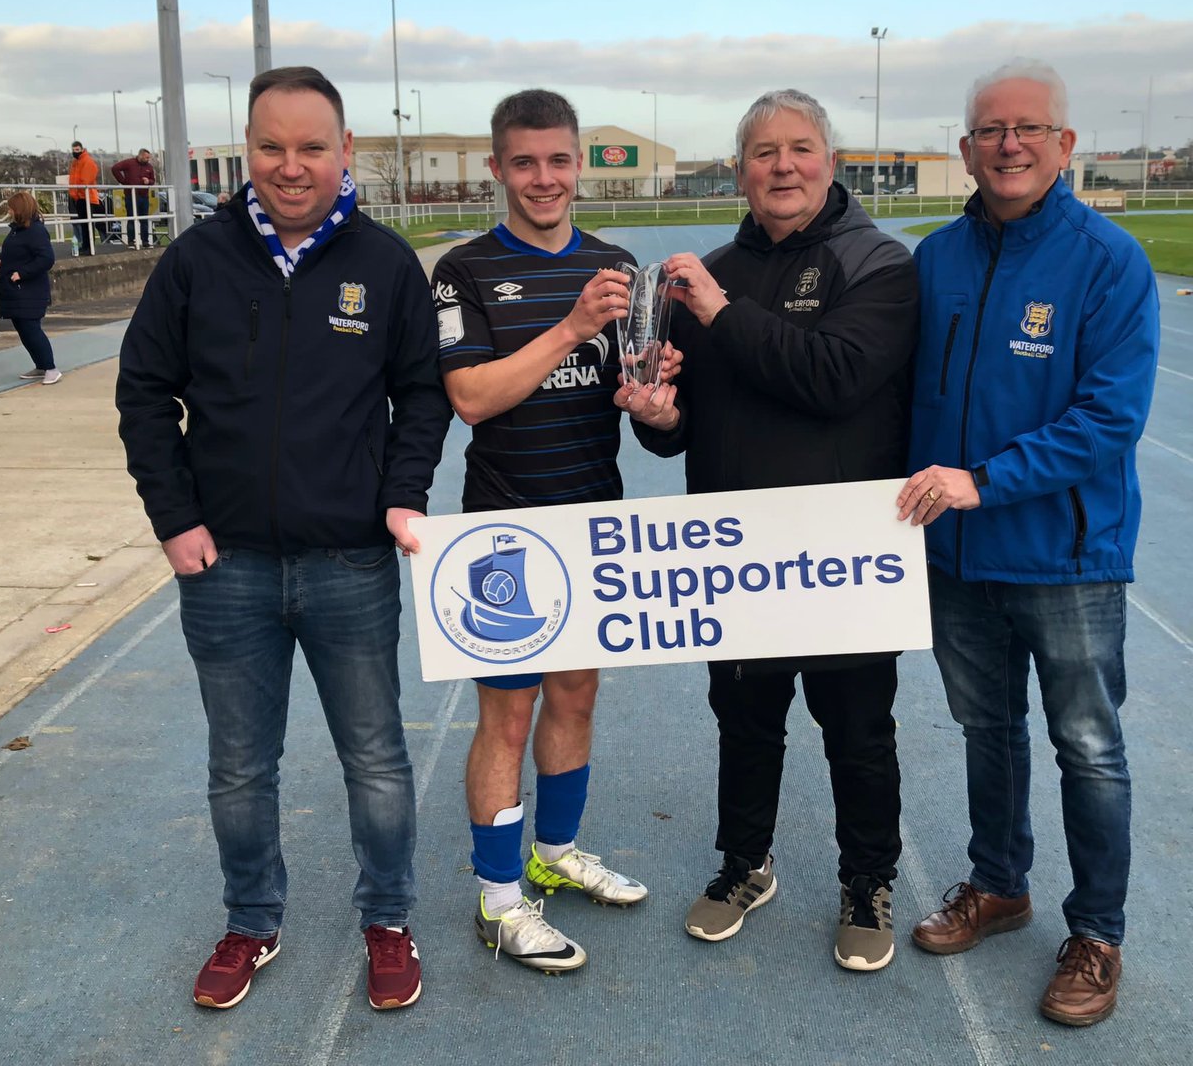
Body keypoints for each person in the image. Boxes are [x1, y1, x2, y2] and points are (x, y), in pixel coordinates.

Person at [116, 66, 451, 1012]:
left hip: (349, 561)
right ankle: (251, 922)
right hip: (227, 570)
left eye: (313, 146)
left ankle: (388, 920)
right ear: (246, 151)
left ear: (346, 152)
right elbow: (144, 393)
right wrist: (175, 519)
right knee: (238, 766)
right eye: (272, 146)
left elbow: (421, 393)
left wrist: (402, 493)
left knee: (377, 759)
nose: (292, 166)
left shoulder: (384, 265)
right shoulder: (195, 261)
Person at [897, 59, 1160, 1027]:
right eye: (991, 130)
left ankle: (1096, 932)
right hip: (959, 560)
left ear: (1065, 144)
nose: (1010, 144)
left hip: (1065, 559)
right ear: (965, 149)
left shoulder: (1109, 262)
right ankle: (999, 883)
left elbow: (1107, 420)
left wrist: (984, 481)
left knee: (1088, 748)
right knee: (988, 733)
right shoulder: (934, 260)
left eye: (1029, 129)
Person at [630, 89, 918, 972]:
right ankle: (744, 864)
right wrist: (657, 413)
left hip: (846, 557)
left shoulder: (880, 265)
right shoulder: (709, 271)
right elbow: (672, 426)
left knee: (858, 731)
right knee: (745, 723)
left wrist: (719, 313)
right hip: (737, 555)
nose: (782, 166)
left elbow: (833, 378)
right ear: (741, 169)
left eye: (799, 149)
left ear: (830, 160)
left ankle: (867, 881)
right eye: (763, 153)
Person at [432, 89, 673, 973]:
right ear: (498, 169)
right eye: (525, 162)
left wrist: (655, 394)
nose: (544, 179)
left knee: (577, 697)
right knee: (507, 715)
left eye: (559, 160)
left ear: (580, 165)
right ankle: (500, 902)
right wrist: (572, 325)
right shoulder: (461, 270)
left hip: (592, 520)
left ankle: (555, 853)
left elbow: (647, 409)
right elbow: (471, 397)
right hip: (505, 534)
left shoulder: (616, 264)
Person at [0, 191, 61, 384]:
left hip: (29, 291)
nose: (9, 211)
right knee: (24, 330)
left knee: (31, 330)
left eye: (12, 208)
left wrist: (22, 273)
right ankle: (41, 366)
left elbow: (46, 258)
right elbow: (13, 251)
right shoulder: (17, 231)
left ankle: (50, 368)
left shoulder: (36, 231)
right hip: (15, 291)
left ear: (20, 210)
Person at [111, 148, 156, 247]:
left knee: (144, 219)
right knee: (131, 218)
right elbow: (115, 168)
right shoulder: (129, 163)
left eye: (149, 157)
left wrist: (148, 181)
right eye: (146, 157)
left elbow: (153, 180)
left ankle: (145, 241)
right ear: (140, 155)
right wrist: (123, 181)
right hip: (131, 195)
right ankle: (131, 241)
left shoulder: (149, 167)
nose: (148, 159)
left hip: (144, 196)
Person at [67, 140, 100, 255]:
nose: (75, 152)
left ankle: (89, 247)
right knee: (84, 224)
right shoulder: (76, 162)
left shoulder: (87, 161)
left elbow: (85, 180)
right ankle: (86, 245)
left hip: (87, 197)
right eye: (73, 150)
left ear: (82, 149)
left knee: (88, 223)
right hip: (80, 197)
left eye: (77, 150)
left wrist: (79, 193)